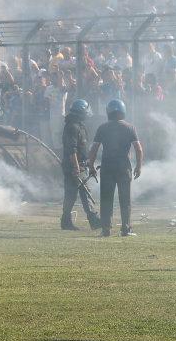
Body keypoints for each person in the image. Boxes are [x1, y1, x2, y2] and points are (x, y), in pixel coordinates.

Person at [87, 99, 143, 237]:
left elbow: (93, 149)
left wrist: (91, 166)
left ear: (108, 112)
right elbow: (138, 149)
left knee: (106, 199)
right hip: (124, 167)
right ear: (123, 111)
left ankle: (106, 229)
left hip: (107, 168)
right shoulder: (130, 127)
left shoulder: (103, 128)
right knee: (125, 200)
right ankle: (126, 229)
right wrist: (139, 166)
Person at [60, 99, 101, 231]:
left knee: (78, 194)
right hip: (73, 166)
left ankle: (68, 221)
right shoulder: (72, 127)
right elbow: (72, 149)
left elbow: (82, 149)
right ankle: (92, 220)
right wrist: (76, 167)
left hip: (80, 165)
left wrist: (89, 164)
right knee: (78, 194)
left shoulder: (79, 125)